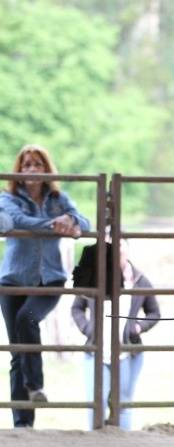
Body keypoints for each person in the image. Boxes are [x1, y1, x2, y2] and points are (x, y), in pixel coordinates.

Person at [0, 144, 90, 427]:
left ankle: (36, 385)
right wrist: (57, 224)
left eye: (37, 164)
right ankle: (23, 422)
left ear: (46, 169)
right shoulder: (8, 197)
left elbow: (84, 223)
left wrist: (72, 219)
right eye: (26, 165)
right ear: (19, 171)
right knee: (17, 352)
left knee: (27, 319)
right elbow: (17, 221)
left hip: (50, 278)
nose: (31, 170)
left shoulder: (58, 198)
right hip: (13, 279)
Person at [71, 239, 160, 430]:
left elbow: (154, 312)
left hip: (126, 353)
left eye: (120, 248)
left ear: (127, 251)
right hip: (97, 351)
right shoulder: (94, 277)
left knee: (124, 402)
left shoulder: (139, 280)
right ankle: (95, 441)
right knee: (97, 400)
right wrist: (88, 329)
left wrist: (138, 327)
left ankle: (124, 441)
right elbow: (77, 308)